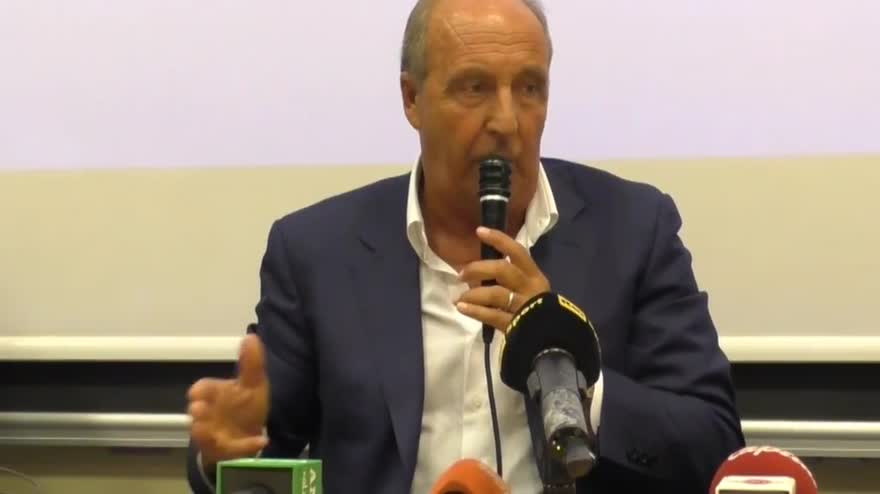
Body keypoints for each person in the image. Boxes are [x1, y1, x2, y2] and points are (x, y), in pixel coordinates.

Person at [185, 0, 745, 492]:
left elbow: (714, 445)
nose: (507, 121)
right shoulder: (318, 253)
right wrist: (224, 455)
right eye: (475, 88)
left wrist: (569, 374)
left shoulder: (633, 230)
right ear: (412, 98)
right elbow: (256, 449)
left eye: (529, 88)